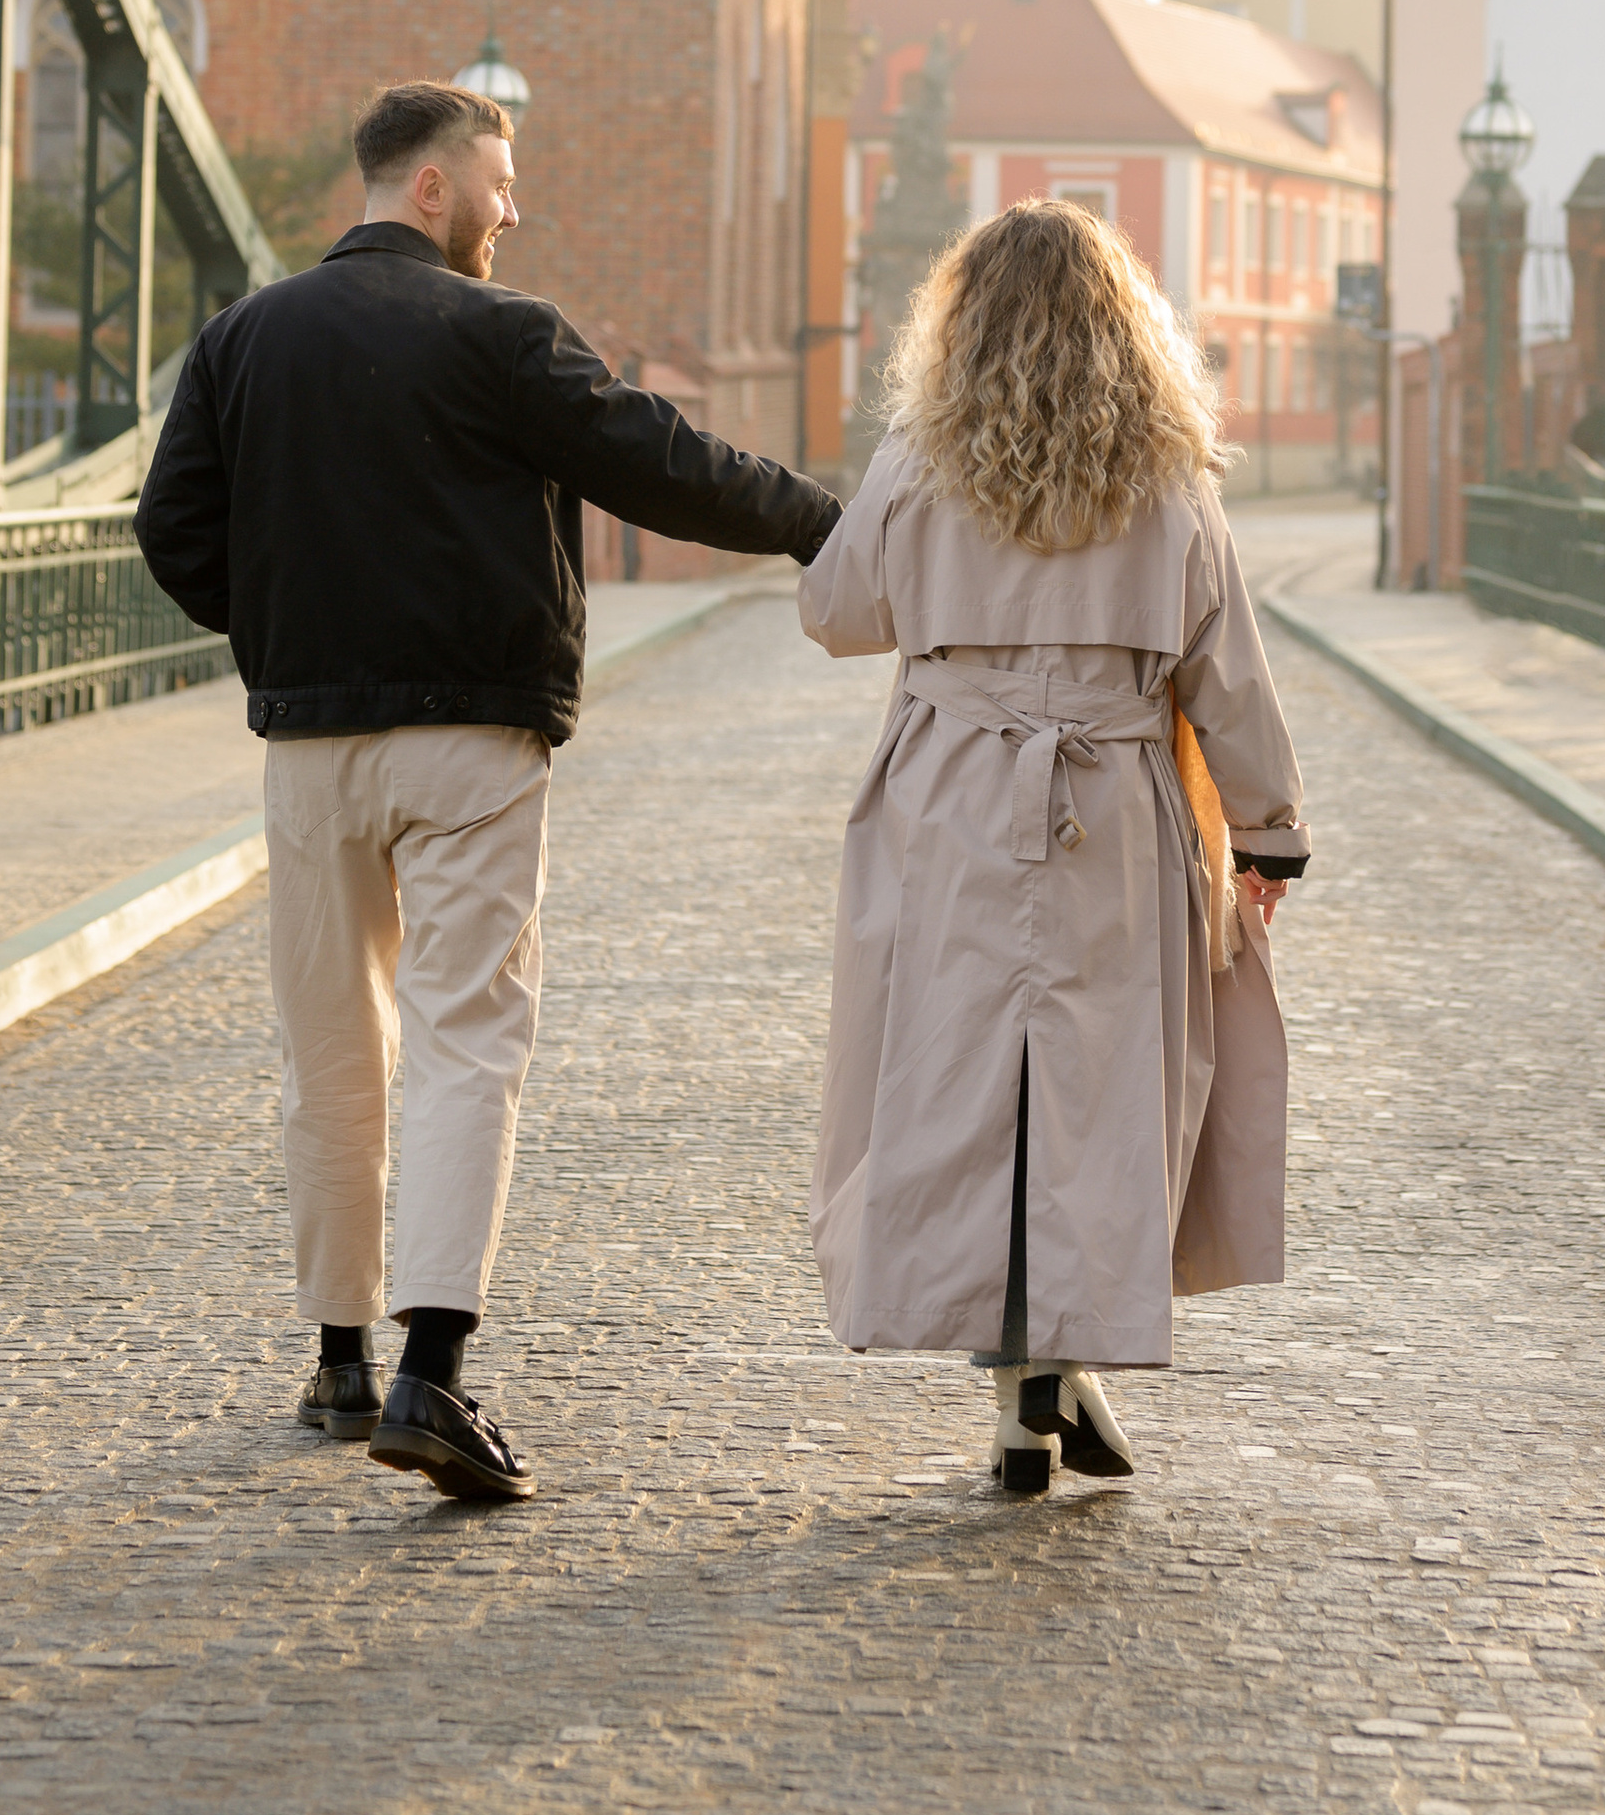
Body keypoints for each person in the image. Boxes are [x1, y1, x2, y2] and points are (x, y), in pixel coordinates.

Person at [134, 77, 841, 1504]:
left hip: (310, 749)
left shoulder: (242, 339)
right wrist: (829, 517)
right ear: (435, 188)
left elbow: (171, 532)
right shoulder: (501, 332)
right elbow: (661, 461)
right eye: (501, 184)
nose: (514, 212)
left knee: (328, 1049)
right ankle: (431, 1372)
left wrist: (286, 635)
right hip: (474, 736)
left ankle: (337, 1359)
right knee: (468, 1038)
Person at [796, 196, 1309, 1493]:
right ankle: (1048, 1377)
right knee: (1090, 1098)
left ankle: (1025, 1402)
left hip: (955, 799)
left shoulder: (924, 456)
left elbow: (840, 613)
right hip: (1119, 807)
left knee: (971, 1091)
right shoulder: (1167, 468)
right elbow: (1224, 667)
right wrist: (1268, 832)